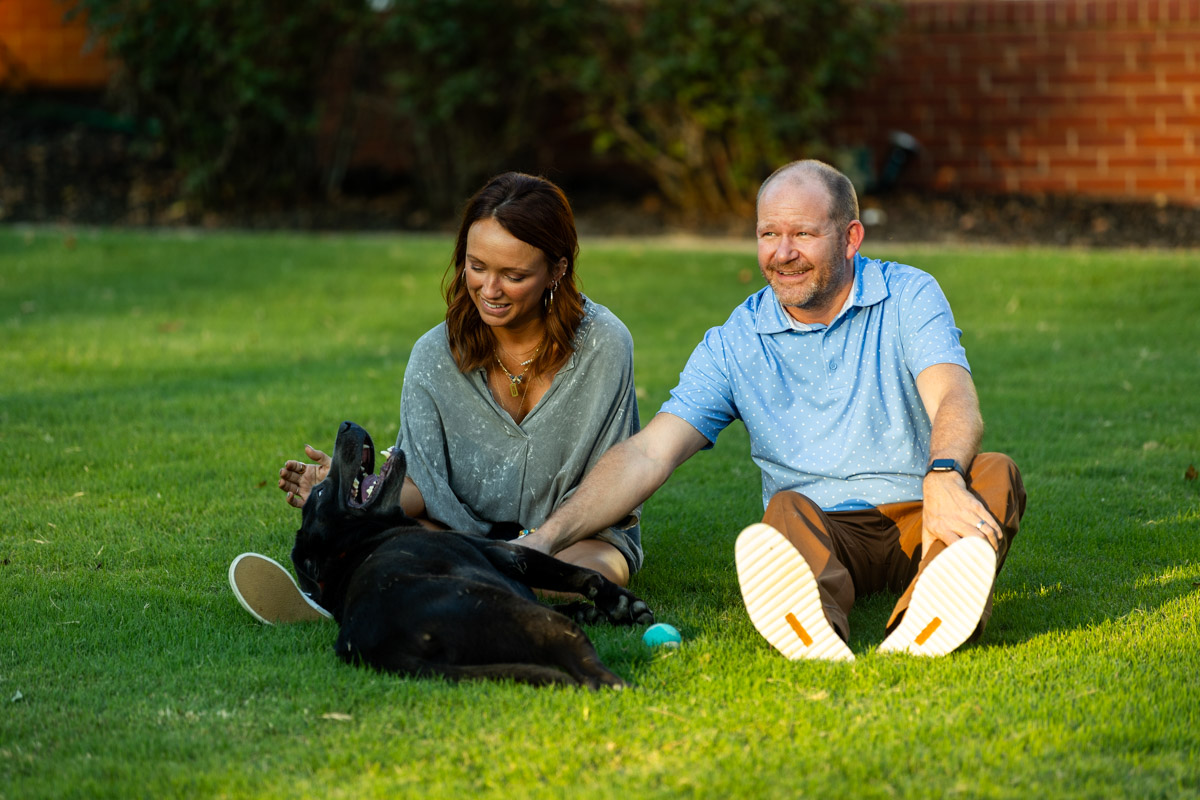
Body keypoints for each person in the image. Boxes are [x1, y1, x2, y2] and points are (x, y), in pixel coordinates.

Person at [518, 159, 1026, 660]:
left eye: (803, 234)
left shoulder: (908, 294)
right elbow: (650, 452)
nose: (783, 254)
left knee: (995, 473)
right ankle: (813, 626)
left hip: (925, 513)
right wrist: (544, 541)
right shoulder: (736, 341)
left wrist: (942, 475)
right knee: (784, 511)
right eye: (768, 235)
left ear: (850, 237)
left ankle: (930, 613)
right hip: (819, 530)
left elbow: (953, 395)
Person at [229, 172, 643, 624]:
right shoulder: (433, 356)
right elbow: (421, 488)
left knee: (588, 572)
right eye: (477, 266)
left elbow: (616, 482)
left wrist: (540, 542)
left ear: (557, 270)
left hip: (572, 540)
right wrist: (356, 494)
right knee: (393, 542)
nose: (489, 290)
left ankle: (414, 594)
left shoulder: (605, 345)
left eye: (514, 275)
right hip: (456, 537)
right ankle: (393, 593)